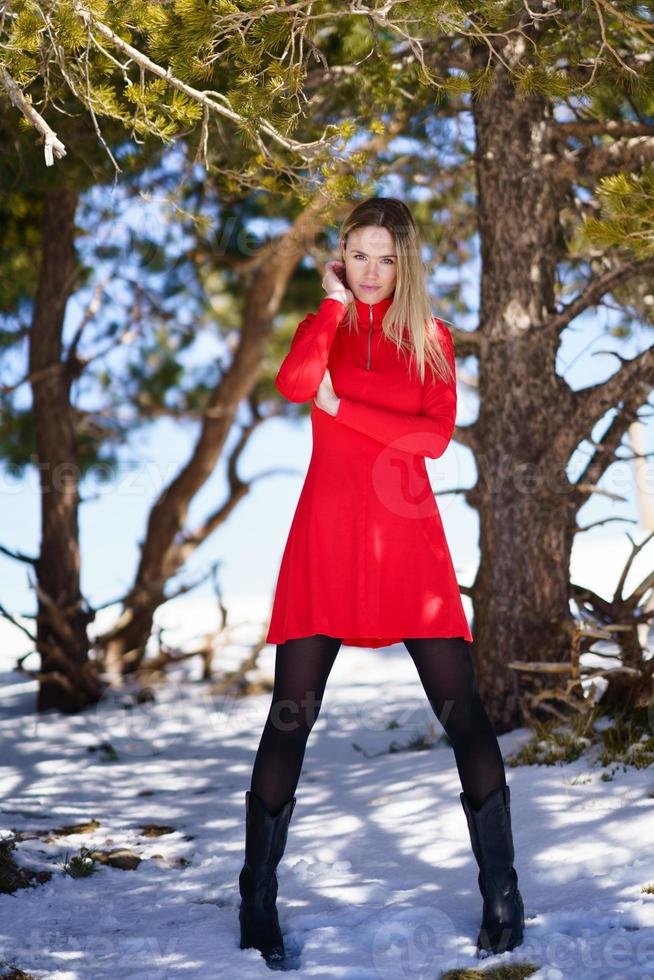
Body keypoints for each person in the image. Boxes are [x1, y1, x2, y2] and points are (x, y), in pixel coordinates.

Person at [238, 197, 524, 965]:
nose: (371, 272)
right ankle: (256, 902)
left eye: (386, 258)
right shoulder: (321, 328)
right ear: (341, 257)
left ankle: (503, 894)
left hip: (408, 549)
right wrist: (327, 312)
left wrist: (345, 406)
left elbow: (431, 438)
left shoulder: (430, 338)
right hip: (325, 545)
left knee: (465, 715)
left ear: (406, 263)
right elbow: (299, 385)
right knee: (288, 720)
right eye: (358, 255)